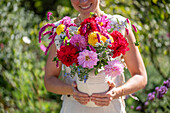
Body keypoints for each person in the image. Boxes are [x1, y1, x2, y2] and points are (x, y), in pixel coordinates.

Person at [44, 0, 147, 113]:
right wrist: (72, 90)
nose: (83, 1)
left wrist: (117, 92)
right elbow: (49, 80)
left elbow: (140, 76)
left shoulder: (119, 25)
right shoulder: (62, 31)